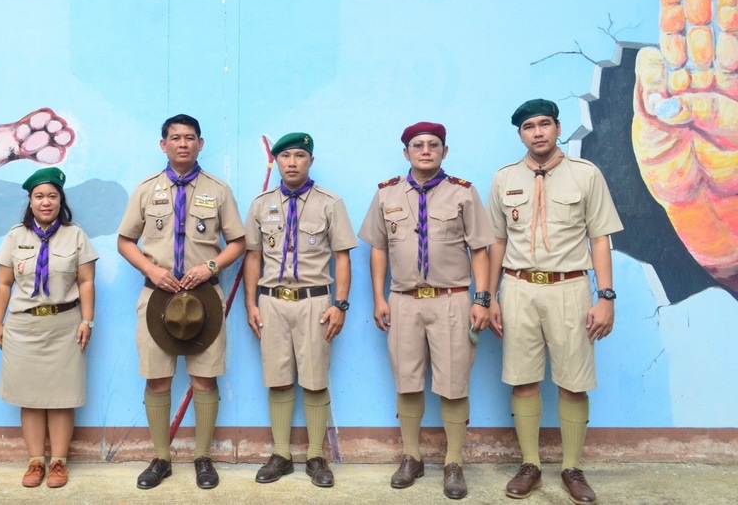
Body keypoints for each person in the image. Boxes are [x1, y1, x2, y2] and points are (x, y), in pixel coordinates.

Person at [487, 99, 623, 505]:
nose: (538, 132)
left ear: (558, 128)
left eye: (545, 124)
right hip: (518, 288)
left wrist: (606, 296)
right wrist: (489, 296)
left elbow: (600, 237)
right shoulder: (504, 178)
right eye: (529, 127)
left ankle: (572, 468)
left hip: (570, 288)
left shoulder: (586, 174)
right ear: (520, 135)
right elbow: (496, 241)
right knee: (523, 379)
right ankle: (530, 464)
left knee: (573, 382)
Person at [358, 122, 494, 500]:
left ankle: (454, 462)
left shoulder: (463, 193)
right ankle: (411, 456)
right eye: (417, 145)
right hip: (403, 300)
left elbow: (479, 249)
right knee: (407, 379)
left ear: (444, 152)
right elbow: (379, 249)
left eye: (433, 145)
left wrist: (482, 298)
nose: (425, 151)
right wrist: (379, 298)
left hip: (452, 299)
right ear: (406, 153)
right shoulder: (386, 194)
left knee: (453, 383)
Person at [117, 114, 246, 490]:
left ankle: (203, 457)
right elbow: (125, 241)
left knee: (204, 378)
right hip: (157, 296)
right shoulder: (146, 189)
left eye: (190, 138)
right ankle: (161, 457)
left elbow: (238, 242)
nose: (183, 144)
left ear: (200, 144)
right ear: (164, 145)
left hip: (204, 298)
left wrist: (211, 266)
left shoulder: (218, 190)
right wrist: (151, 269)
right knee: (157, 378)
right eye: (175, 138)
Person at [243, 132, 357, 488]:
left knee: (315, 379)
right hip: (272, 302)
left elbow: (342, 257)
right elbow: (253, 256)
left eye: (299, 155)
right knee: (277, 378)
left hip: (314, 301)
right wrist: (250, 302)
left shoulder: (329, 203)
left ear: (310, 160)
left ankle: (315, 455)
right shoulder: (261, 204)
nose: (292, 162)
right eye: (285, 156)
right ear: (276, 161)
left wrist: (340, 304)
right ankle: (281, 454)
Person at [0, 167, 98, 489]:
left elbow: (86, 281)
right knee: (30, 396)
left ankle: (60, 462)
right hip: (24, 326)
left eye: (52, 196)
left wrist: (87, 320)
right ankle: (36, 461)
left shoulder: (75, 235)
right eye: (39, 196)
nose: (46, 202)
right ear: (30, 200)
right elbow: (3, 284)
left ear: (61, 200)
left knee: (62, 397)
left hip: (65, 326)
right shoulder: (15, 236)